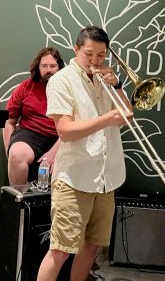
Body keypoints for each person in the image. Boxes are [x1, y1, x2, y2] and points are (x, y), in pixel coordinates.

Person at [37, 26, 133, 281]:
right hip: (74, 177)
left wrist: (119, 85)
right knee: (60, 250)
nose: (95, 61)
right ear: (76, 49)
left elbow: (127, 116)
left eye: (101, 55)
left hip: (105, 177)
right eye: (89, 54)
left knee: (92, 247)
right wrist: (105, 120)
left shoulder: (106, 78)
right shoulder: (62, 80)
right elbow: (65, 130)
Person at [3, 47, 65, 185]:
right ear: (38, 67)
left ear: (60, 67)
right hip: (31, 134)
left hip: (62, 136)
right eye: (44, 66)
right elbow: (9, 122)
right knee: (17, 154)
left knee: (59, 167)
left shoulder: (68, 89)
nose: (48, 70)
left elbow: (72, 128)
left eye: (53, 66)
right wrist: (10, 153)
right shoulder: (25, 87)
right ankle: (19, 201)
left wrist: (53, 154)